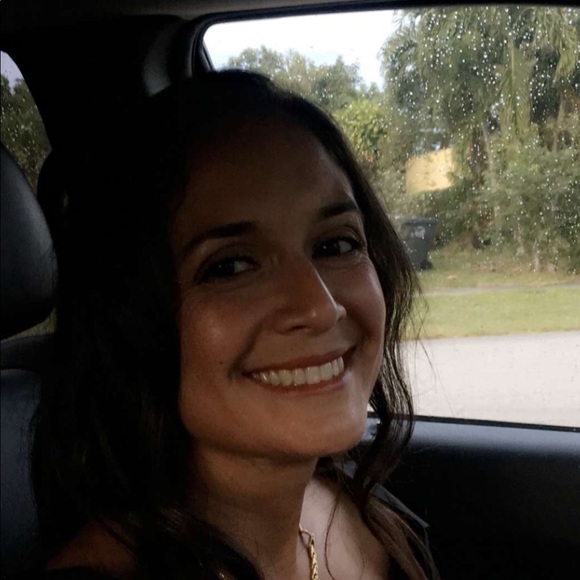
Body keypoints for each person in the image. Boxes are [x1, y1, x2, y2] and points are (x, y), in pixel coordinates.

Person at [26, 71, 437, 579]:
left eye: (336, 244)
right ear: (127, 322)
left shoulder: (357, 511)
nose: (320, 307)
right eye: (231, 267)